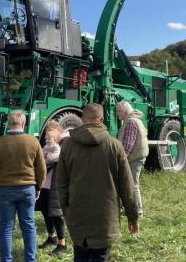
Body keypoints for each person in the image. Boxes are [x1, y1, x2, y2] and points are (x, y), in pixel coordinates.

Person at [57, 103, 139, 262]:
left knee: (79, 256)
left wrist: (67, 211)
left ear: (82, 119)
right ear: (101, 120)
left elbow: (61, 184)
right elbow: (127, 186)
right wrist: (133, 218)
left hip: (77, 217)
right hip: (105, 220)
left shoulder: (68, 146)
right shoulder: (115, 145)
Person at [0, 110, 46, 262]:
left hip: (6, 189)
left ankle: (6, 259)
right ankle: (30, 260)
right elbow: (42, 169)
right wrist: (38, 187)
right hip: (28, 188)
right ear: (23, 123)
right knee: (29, 225)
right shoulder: (33, 142)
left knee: (6, 227)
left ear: (8, 123)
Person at [35, 122, 67, 255]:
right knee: (45, 211)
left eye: (51, 131)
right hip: (44, 183)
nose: (48, 135)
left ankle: (62, 243)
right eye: (47, 132)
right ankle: (51, 236)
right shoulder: (46, 145)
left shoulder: (62, 144)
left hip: (55, 184)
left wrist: (44, 157)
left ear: (58, 132)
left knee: (55, 214)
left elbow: (58, 157)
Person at [116, 101, 149, 218]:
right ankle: (131, 209)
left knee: (133, 184)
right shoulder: (133, 119)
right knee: (131, 184)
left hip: (135, 157)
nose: (117, 113)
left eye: (118, 111)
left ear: (125, 111)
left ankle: (138, 212)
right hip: (138, 156)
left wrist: (121, 160)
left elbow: (128, 144)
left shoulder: (130, 122)